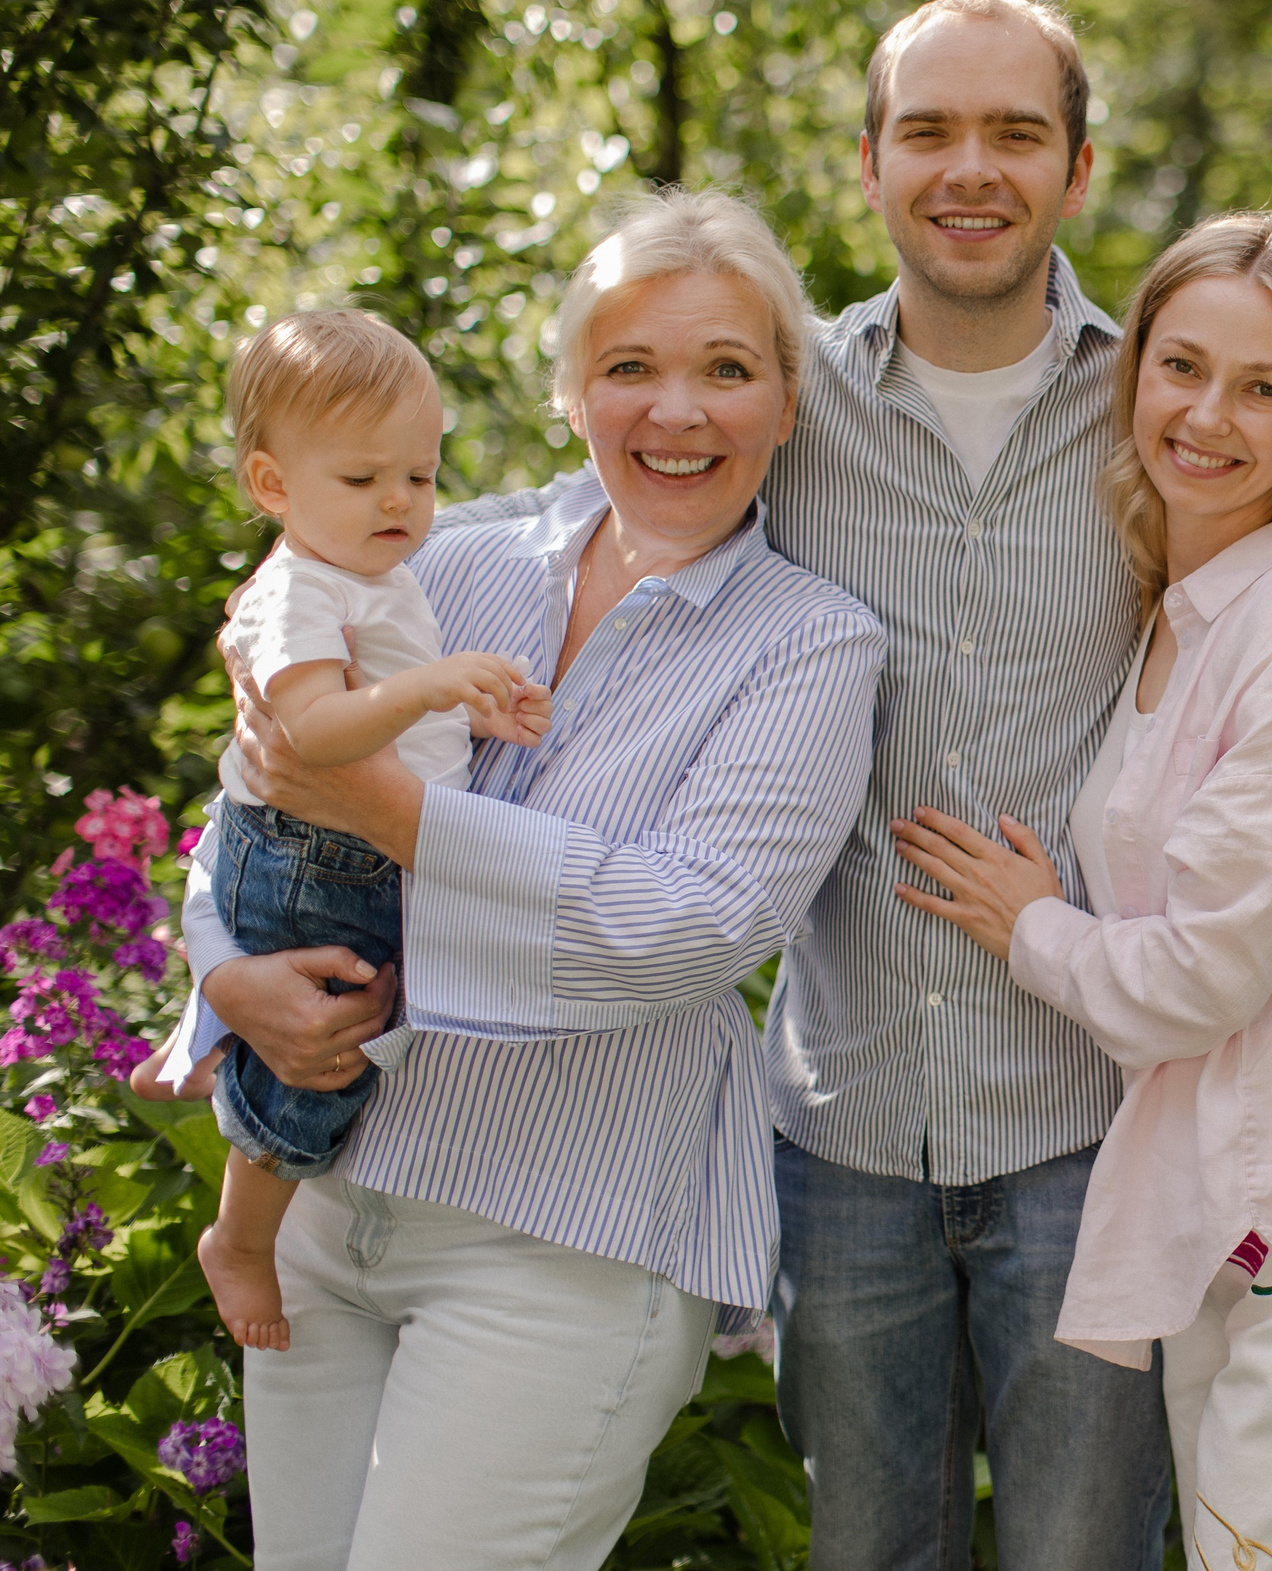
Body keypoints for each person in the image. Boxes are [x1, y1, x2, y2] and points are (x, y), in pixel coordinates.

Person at [749, 0, 1272, 1569]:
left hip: (1095, 1123)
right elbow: (605, 512)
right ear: (868, 161)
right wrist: (318, 613)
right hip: (849, 1114)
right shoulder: (779, 403)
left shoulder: (1161, 394)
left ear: (1077, 169)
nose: (970, 168)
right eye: (928, 129)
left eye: (1016, 131)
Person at [150, 190, 884, 1568]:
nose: (677, 410)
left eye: (727, 368)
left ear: (789, 402)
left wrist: (385, 807)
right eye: (629, 367)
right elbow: (252, 800)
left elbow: (686, 925)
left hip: (562, 1241)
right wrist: (224, 974)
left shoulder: (812, 646)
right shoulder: (440, 558)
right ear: (569, 392)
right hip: (326, 1201)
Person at [892, 214, 1272, 1571]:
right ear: (1135, 371)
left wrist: (1030, 923)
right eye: (1183, 366)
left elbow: (1204, 981)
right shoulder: (1184, 606)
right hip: (1228, 1220)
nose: (1208, 414)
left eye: (1263, 386)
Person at [174, 310, 552, 1353]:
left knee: (341, 1045)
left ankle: (225, 1086)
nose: (399, 501)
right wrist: (434, 683)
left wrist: (464, 709)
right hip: (311, 859)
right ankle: (239, 1240)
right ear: (273, 486)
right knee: (320, 1067)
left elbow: (383, 711)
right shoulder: (296, 591)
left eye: (420, 477)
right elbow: (312, 730)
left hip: (356, 850)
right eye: (362, 479)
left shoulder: (368, 576)